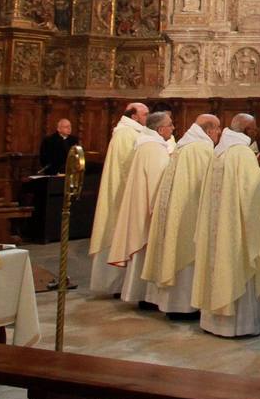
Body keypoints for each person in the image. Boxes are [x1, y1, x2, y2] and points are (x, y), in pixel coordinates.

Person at [193, 113, 260, 338]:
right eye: (254, 128)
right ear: (247, 131)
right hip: (235, 229)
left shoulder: (219, 152)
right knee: (236, 266)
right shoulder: (242, 154)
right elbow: (253, 193)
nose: (256, 132)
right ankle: (239, 326)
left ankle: (212, 322)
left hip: (218, 225)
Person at [142, 114, 219, 318]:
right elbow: (210, 182)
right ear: (209, 130)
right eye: (217, 129)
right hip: (190, 213)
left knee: (175, 252)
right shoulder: (202, 148)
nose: (219, 133)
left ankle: (172, 305)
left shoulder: (184, 146)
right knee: (188, 256)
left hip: (178, 211)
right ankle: (186, 306)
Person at [108, 110, 175, 305]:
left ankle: (140, 294)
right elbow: (158, 183)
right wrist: (162, 210)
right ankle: (148, 297)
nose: (173, 128)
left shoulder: (147, 145)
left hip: (141, 208)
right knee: (148, 256)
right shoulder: (154, 149)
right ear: (161, 129)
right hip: (149, 213)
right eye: (170, 125)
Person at [89, 102, 149, 294]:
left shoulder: (131, 132)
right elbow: (129, 166)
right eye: (145, 114)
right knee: (116, 232)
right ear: (134, 116)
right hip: (122, 194)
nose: (148, 117)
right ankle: (115, 284)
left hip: (125, 190)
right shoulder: (126, 134)